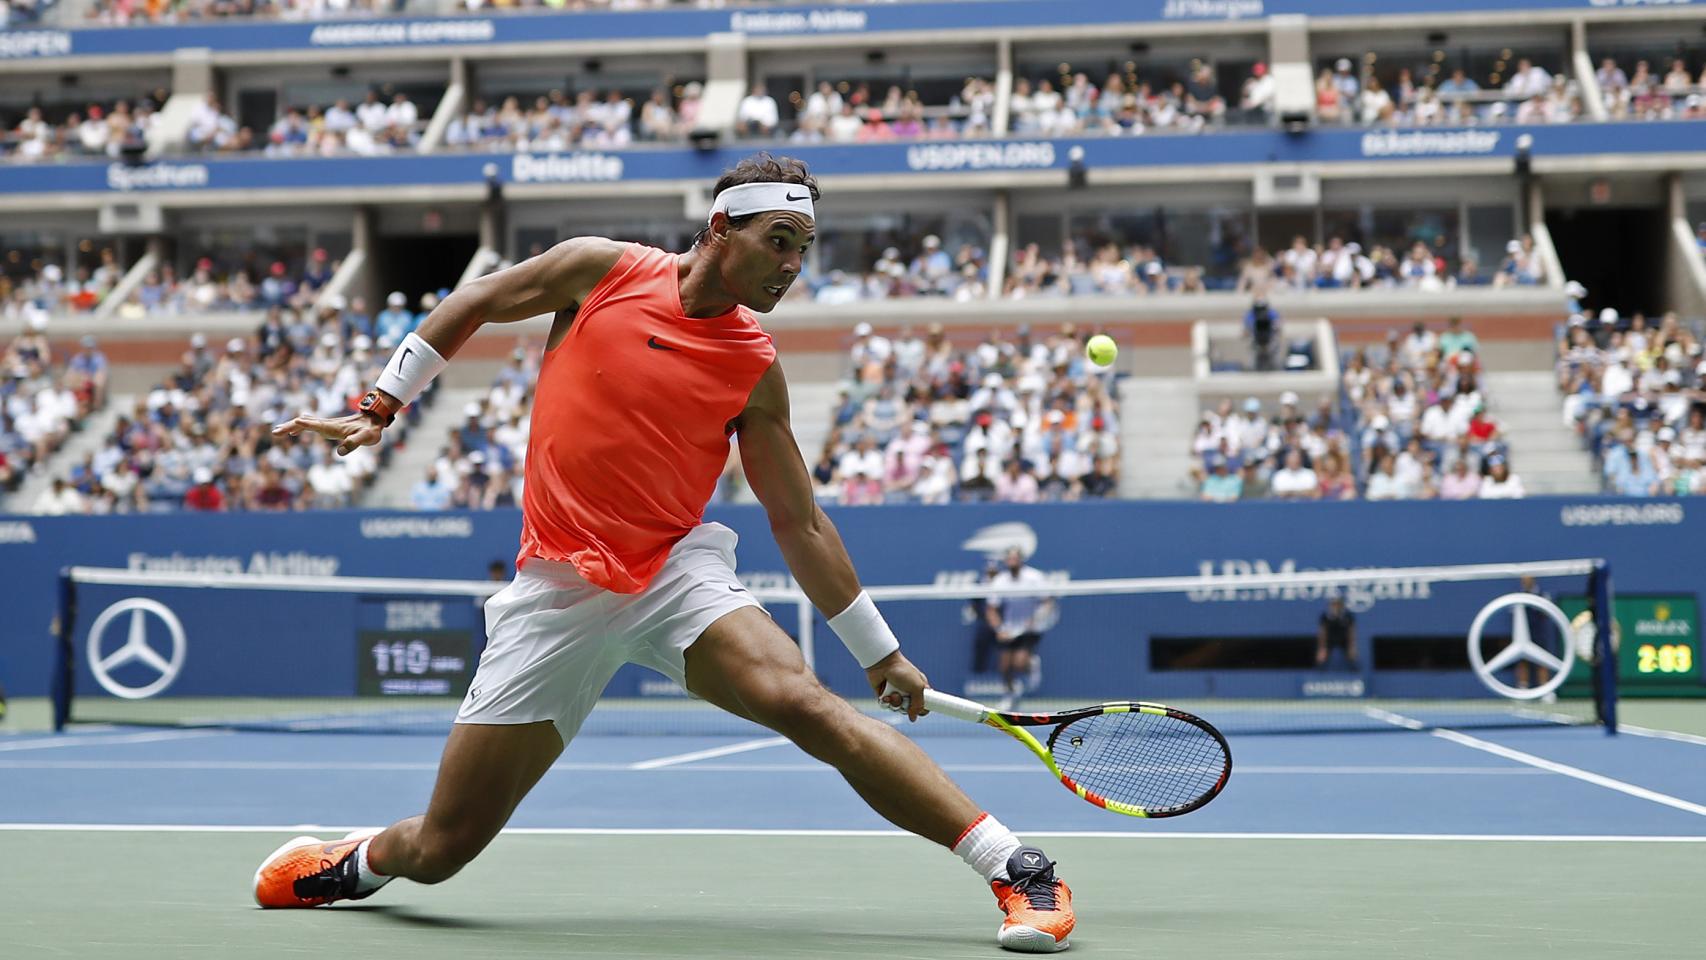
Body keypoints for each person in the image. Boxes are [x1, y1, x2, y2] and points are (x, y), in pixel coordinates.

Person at [258, 154, 1075, 952]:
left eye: (804, 249)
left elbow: (800, 522)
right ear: (722, 228)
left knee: (805, 703)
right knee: (442, 849)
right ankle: (355, 863)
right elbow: (474, 301)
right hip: (557, 589)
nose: (791, 266)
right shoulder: (599, 271)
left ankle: (1017, 867)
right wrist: (380, 405)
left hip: (673, 573)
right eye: (778, 240)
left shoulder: (754, 367)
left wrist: (879, 651)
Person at [985, 547, 1055, 712]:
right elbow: (991, 609)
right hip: (1008, 629)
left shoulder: (1035, 577)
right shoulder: (1000, 580)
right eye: (1008, 558)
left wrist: (1036, 618)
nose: (1011, 561)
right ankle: (1009, 694)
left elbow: (1047, 602)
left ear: (1021, 560)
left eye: (1014, 558)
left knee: (1019, 663)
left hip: (1030, 629)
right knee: (1004, 666)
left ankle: (1031, 664)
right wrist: (999, 629)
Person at [1316, 595, 1357, 671]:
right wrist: (1322, 648)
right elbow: (1322, 633)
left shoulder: (1348, 616)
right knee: (1321, 659)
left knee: (1352, 658)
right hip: (1329, 640)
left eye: (1338, 604)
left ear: (1341, 606)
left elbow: (1351, 632)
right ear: (1331, 606)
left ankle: (1356, 676)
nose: (1336, 607)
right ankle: (1317, 677)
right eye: (1334, 605)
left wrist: (1351, 647)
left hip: (1344, 640)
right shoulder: (1325, 617)